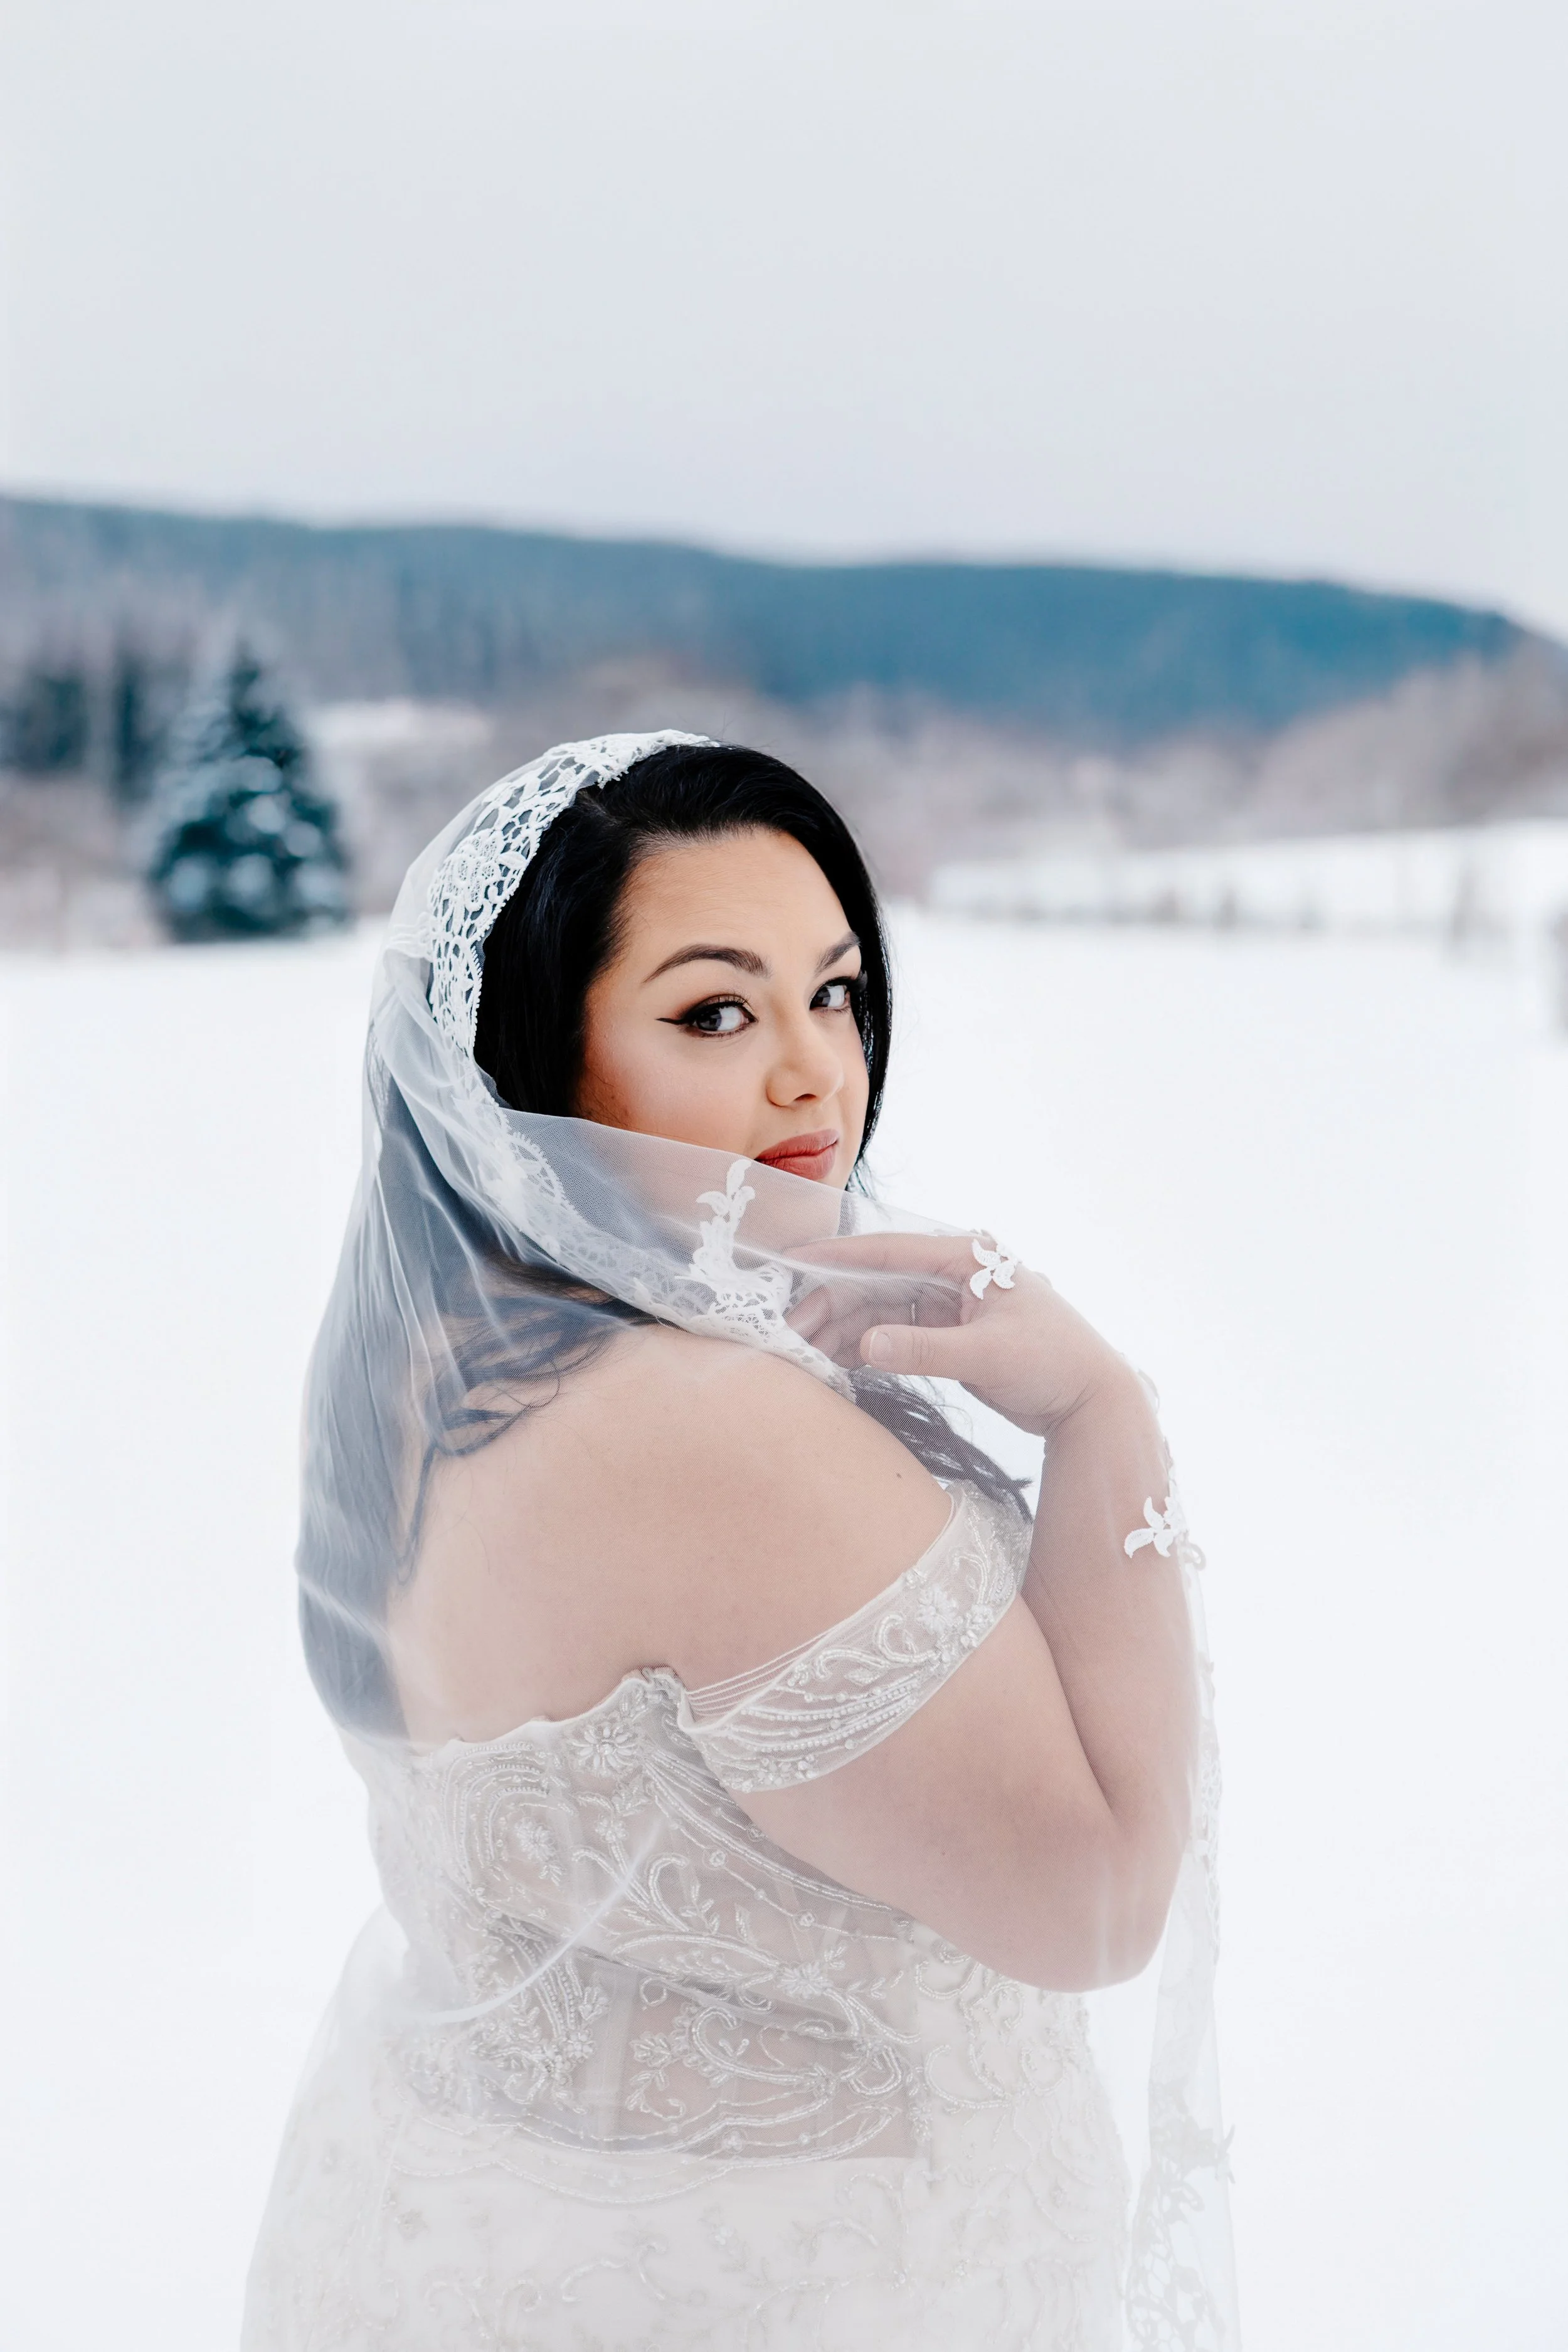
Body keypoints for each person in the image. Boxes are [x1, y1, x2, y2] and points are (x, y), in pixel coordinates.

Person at [244, 733, 1236, 2351]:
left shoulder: (419, 1374)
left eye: (836, 991)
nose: (815, 1074)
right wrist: (1100, 1417)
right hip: (802, 2290)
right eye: (715, 1009)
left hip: (439, 2226)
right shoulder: (710, 1432)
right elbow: (1100, 1906)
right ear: (536, 1061)